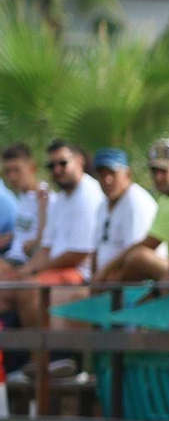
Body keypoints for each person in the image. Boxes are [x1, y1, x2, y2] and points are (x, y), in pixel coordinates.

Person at [12, 140, 105, 332]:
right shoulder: (61, 198)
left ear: (79, 161)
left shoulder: (89, 194)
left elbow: (78, 254)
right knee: (10, 284)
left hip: (81, 272)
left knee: (27, 288)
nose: (57, 170)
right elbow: (46, 248)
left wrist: (33, 272)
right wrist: (24, 270)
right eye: (51, 165)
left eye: (62, 163)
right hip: (58, 268)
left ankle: (48, 356)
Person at [106, 140, 169, 282]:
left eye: (164, 171)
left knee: (138, 257)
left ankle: (111, 295)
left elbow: (148, 245)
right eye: (154, 171)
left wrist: (104, 273)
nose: (158, 177)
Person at [87, 148, 159, 285]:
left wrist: (107, 280)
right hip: (106, 283)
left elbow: (135, 257)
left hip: (133, 285)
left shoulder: (135, 201)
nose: (107, 180)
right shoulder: (103, 205)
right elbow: (97, 249)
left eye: (112, 173)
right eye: (102, 175)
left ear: (127, 174)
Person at [1, 144, 48, 273]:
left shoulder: (44, 197)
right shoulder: (22, 196)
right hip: (10, 257)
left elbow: (47, 240)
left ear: (32, 168)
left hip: (24, 264)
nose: (12, 177)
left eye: (17, 170)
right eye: (7, 171)